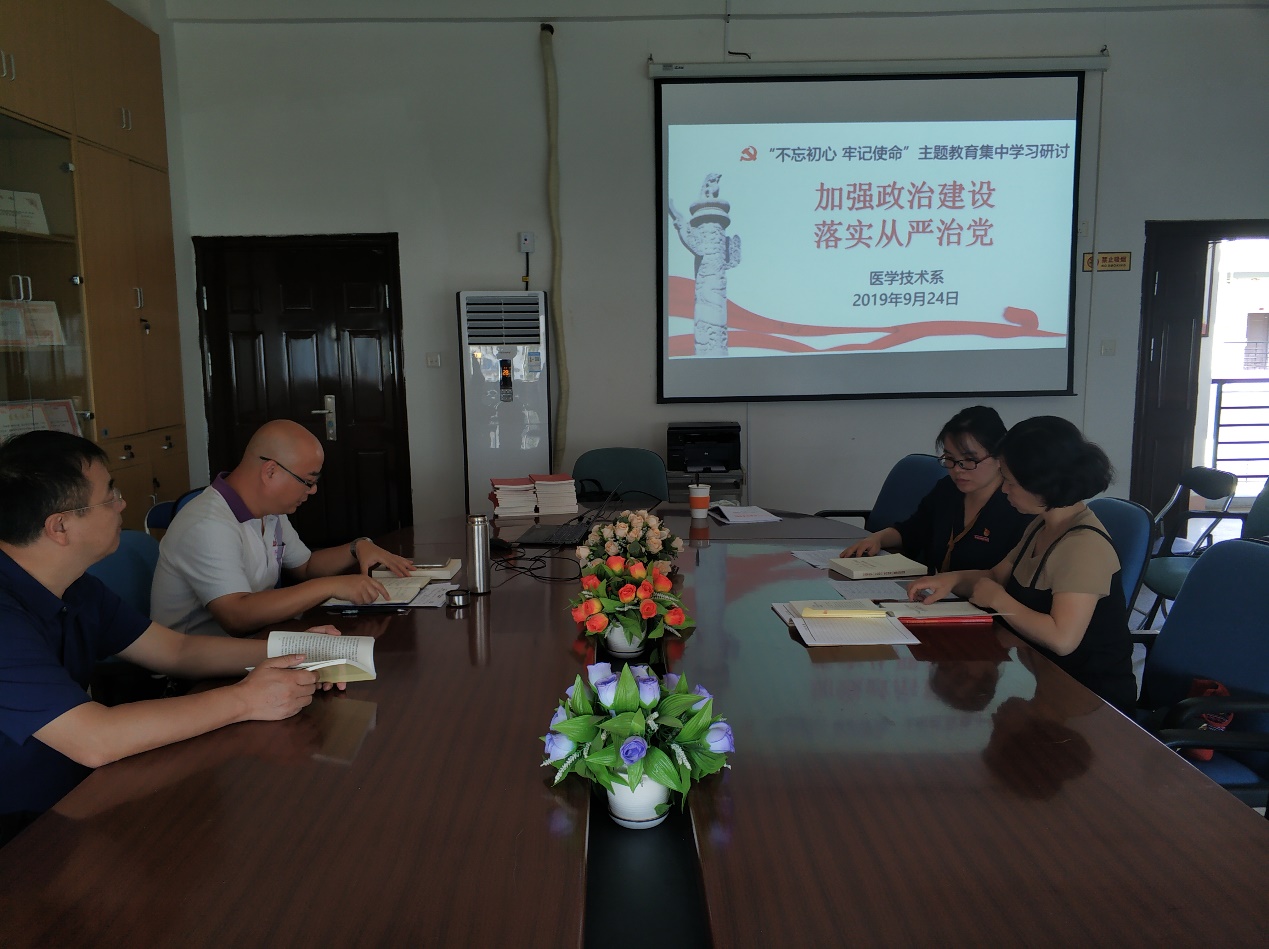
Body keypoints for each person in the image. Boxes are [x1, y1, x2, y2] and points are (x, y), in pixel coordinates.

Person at [0, 431, 332, 845]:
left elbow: (177, 649)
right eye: (109, 496)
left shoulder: (76, 587)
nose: (122, 504)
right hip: (20, 825)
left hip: (74, 791)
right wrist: (247, 699)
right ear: (60, 526)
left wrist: (297, 650)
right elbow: (94, 739)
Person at [907, 416, 1136, 713]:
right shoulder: (1043, 524)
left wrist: (999, 600)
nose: (1004, 490)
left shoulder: (1083, 546)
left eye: (1010, 482)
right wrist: (949, 581)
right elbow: (996, 576)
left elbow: (1062, 638)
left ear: (1040, 485)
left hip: (1090, 702)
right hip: (1046, 679)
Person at [151, 419, 414, 637]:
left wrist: (357, 547)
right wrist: (330, 586)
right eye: (308, 481)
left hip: (256, 641)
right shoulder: (208, 524)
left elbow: (306, 566)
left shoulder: (270, 511)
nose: (313, 490)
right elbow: (236, 616)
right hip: (197, 668)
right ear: (270, 472)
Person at [840, 405, 1033, 573]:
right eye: (950, 458)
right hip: (936, 595)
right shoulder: (948, 489)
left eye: (969, 460)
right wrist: (877, 538)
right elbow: (911, 531)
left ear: (999, 457)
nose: (957, 469)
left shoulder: (1018, 505)